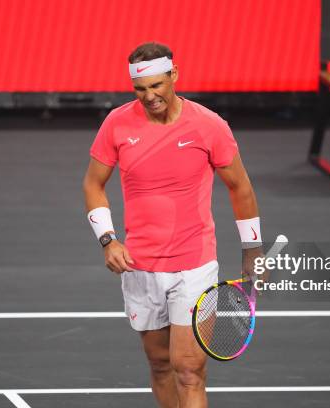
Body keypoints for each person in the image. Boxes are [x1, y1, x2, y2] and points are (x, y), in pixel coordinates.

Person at [82, 42, 263, 408]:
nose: (149, 96)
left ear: (174, 76)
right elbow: (92, 184)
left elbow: (240, 187)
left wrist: (252, 253)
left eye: (157, 86)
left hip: (195, 265)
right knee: (161, 365)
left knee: (189, 370)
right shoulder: (117, 124)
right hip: (140, 266)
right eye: (140, 89)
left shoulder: (209, 126)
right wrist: (108, 240)